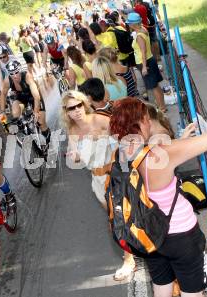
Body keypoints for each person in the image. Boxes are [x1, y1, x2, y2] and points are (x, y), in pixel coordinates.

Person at [109, 98, 207, 296]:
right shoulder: (162, 153)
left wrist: (180, 141)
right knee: (192, 291)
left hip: (149, 236)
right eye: (146, 119)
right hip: (181, 236)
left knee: (161, 288)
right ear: (142, 121)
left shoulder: (119, 154)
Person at [60, 91, 135, 281]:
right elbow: (75, 154)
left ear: (85, 104)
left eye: (79, 105)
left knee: (122, 217)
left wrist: (102, 138)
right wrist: (75, 155)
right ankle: (135, 251)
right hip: (97, 180)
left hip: (117, 175)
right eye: (71, 108)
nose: (76, 111)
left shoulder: (100, 119)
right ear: (66, 112)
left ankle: (129, 260)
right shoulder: (73, 131)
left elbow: (125, 138)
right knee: (115, 219)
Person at [0, 61, 51, 142]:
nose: (15, 75)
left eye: (17, 72)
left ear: (20, 70)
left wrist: (36, 111)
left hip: (33, 97)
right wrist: (2, 112)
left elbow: (36, 97)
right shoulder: (7, 81)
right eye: (12, 73)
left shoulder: (27, 76)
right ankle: (24, 130)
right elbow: (3, 95)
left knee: (41, 122)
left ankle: (48, 141)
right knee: (15, 113)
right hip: (21, 97)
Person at [125, 12, 165, 111]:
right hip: (149, 59)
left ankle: (161, 108)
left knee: (153, 86)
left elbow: (143, 51)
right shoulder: (143, 29)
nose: (128, 25)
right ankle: (162, 105)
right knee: (156, 85)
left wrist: (143, 67)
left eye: (129, 23)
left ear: (133, 24)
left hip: (145, 61)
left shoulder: (139, 36)